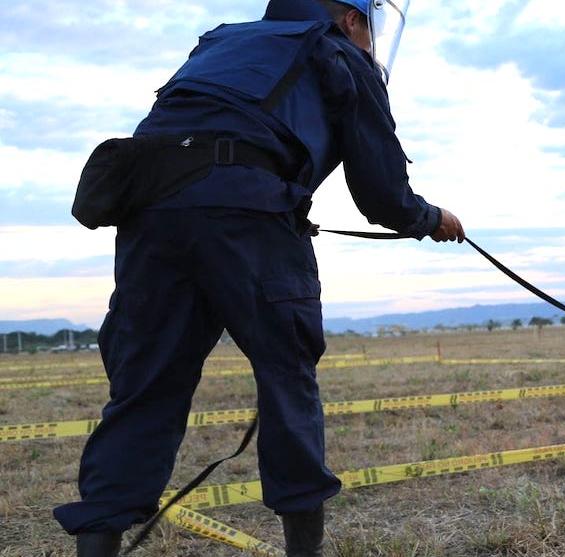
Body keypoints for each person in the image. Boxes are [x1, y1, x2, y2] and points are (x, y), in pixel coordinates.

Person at [53, 0, 462, 555]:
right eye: (370, 26)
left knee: (143, 388)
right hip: (250, 215)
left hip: (151, 213)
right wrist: (430, 219)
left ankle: (97, 544)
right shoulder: (339, 51)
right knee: (286, 380)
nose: (370, 39)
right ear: (349, 18)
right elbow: (381, 192)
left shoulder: (223, 44)